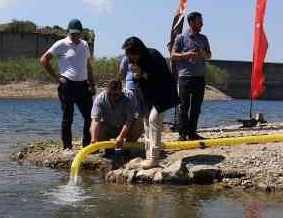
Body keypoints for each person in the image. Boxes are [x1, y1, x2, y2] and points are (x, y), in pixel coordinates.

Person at [122, 35, 180, 165]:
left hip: (163, 93)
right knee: (146, 123)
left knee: (154, 120)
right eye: (129, 56)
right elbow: (139, 82)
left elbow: (159, 78)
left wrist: (141, 73)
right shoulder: (133, 60)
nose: (131, 58)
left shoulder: (153, 55)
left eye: (132, 55)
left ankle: (154, 158)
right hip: (147, 95)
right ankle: (148, 156)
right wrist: (136, 76)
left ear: (139, 50)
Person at [40, 19, 96, 150]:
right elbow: (44, 60)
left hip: (83, 85)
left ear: (81, 32)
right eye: (73, 33)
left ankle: (87, 146)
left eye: (78, 33)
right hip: (67, 86)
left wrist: (92, 83)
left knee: (90, 116)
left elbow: (88, 65)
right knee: (68, 118)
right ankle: (67, 147)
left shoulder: (85, 45)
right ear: (68, 32)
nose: (75, 36)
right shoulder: (61, 44)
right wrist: (56, 77)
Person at [169, 11, 212, 141]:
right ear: (192, 22)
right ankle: (182, 134)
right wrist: (187, 55)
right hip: (185, 77)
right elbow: (172, 55)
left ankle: (192, 133)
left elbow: (209, 56)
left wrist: (203, 53)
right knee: (184, 106)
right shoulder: (180, 38)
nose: (202, 24)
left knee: (196, 107)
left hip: (200, 77)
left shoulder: (204, 38)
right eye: (200, 21)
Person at [89, 78, 142, 151]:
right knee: (96, 128)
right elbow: (95, 120)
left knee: (138, 125)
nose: (112, 97)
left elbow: (129, 120)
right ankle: (108, 149)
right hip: (109, 127)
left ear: (121, 91)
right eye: (109, 94)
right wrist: (93, 139)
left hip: (125, 127)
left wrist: (121, 136)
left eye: (115, 95)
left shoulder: (129, 96)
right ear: (106, 90)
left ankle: (127, 149)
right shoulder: (100, 98)